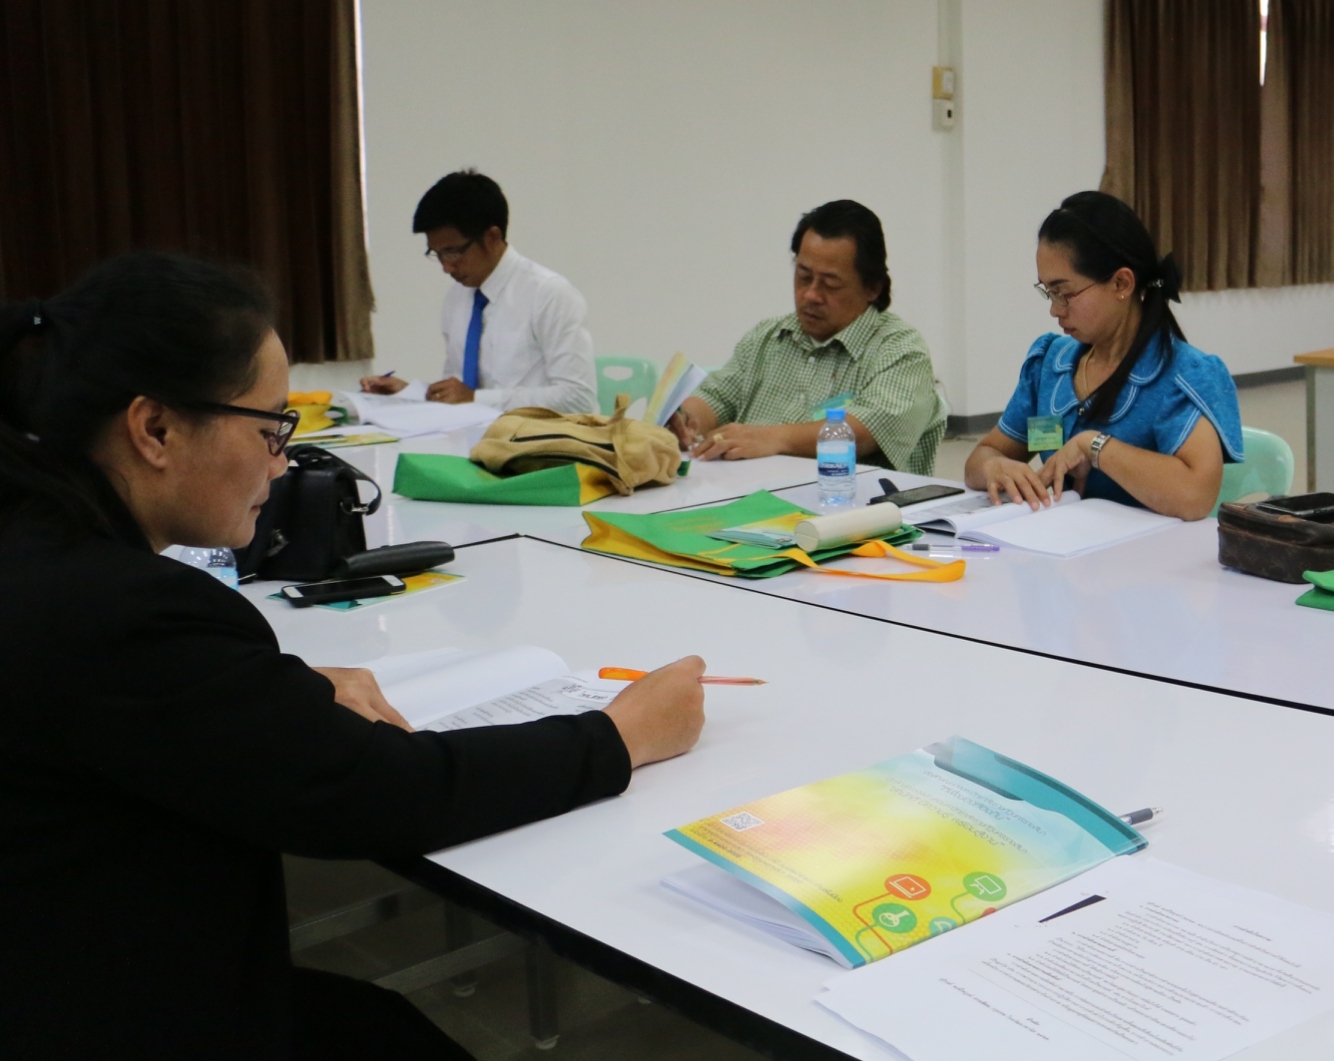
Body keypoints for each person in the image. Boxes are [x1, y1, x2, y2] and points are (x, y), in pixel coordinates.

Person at [0, 253, 706, 1058]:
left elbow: (137, 702)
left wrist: (255, 691)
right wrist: (620, 734)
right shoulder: (122, 610)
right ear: (154, 429)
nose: (282, 462)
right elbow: (382, 789)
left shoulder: (40, 545)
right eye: (270, 428)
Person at [965, 191, 1243, 521]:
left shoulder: (1181, 376)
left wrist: (1094, 446)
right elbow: (982, 457)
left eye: (1065, 293)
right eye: (1048, 292)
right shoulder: (1050, 366)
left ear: (1121, 284)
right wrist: (995, 467)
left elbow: (1195, 496)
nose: (1055, 310)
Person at [668, 200, 944, 475]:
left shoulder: (901, 349)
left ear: (873, 287)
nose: (811, 295)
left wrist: (772, 438)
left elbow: (871, 428)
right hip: (749, 492)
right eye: (803, 276)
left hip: (848, 497)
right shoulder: (767, 337)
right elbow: (716, 396)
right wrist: (685, 421)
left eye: (830, 284)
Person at [362, 169, 597, 413]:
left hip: (539, 435)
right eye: (437, 254)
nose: (446, 267)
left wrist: (477, 399)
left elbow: (578, 399)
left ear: (492, 238)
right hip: (472, 431)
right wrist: (409, 393)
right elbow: (459, 394)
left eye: (452, 252)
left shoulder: (549, 294)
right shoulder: (457, 297)